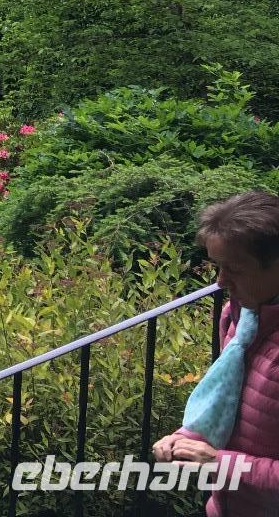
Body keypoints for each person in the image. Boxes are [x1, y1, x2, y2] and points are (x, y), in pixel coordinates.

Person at [153, 190, 279, 516]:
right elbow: (228, 400)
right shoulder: (241, 316)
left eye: (234, 269)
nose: (221, 282)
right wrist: (186, 438)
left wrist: (218, 461)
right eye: (217, 267)